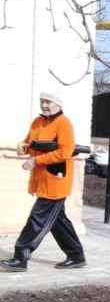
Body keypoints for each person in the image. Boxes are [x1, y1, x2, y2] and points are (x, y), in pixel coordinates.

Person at [1, 91, 86, 273]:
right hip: (42, 180)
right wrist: (22, 146)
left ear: (58, 104)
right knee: (57, 221)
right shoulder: (38, 122)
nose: (45, 105)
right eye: (42, 101)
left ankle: (20, 257)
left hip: (56, 181)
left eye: (48, 102)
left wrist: (36, 161)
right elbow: (30, 142)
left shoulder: (64, 124)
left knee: (37, 219)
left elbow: (64, 152)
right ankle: (76, 255)